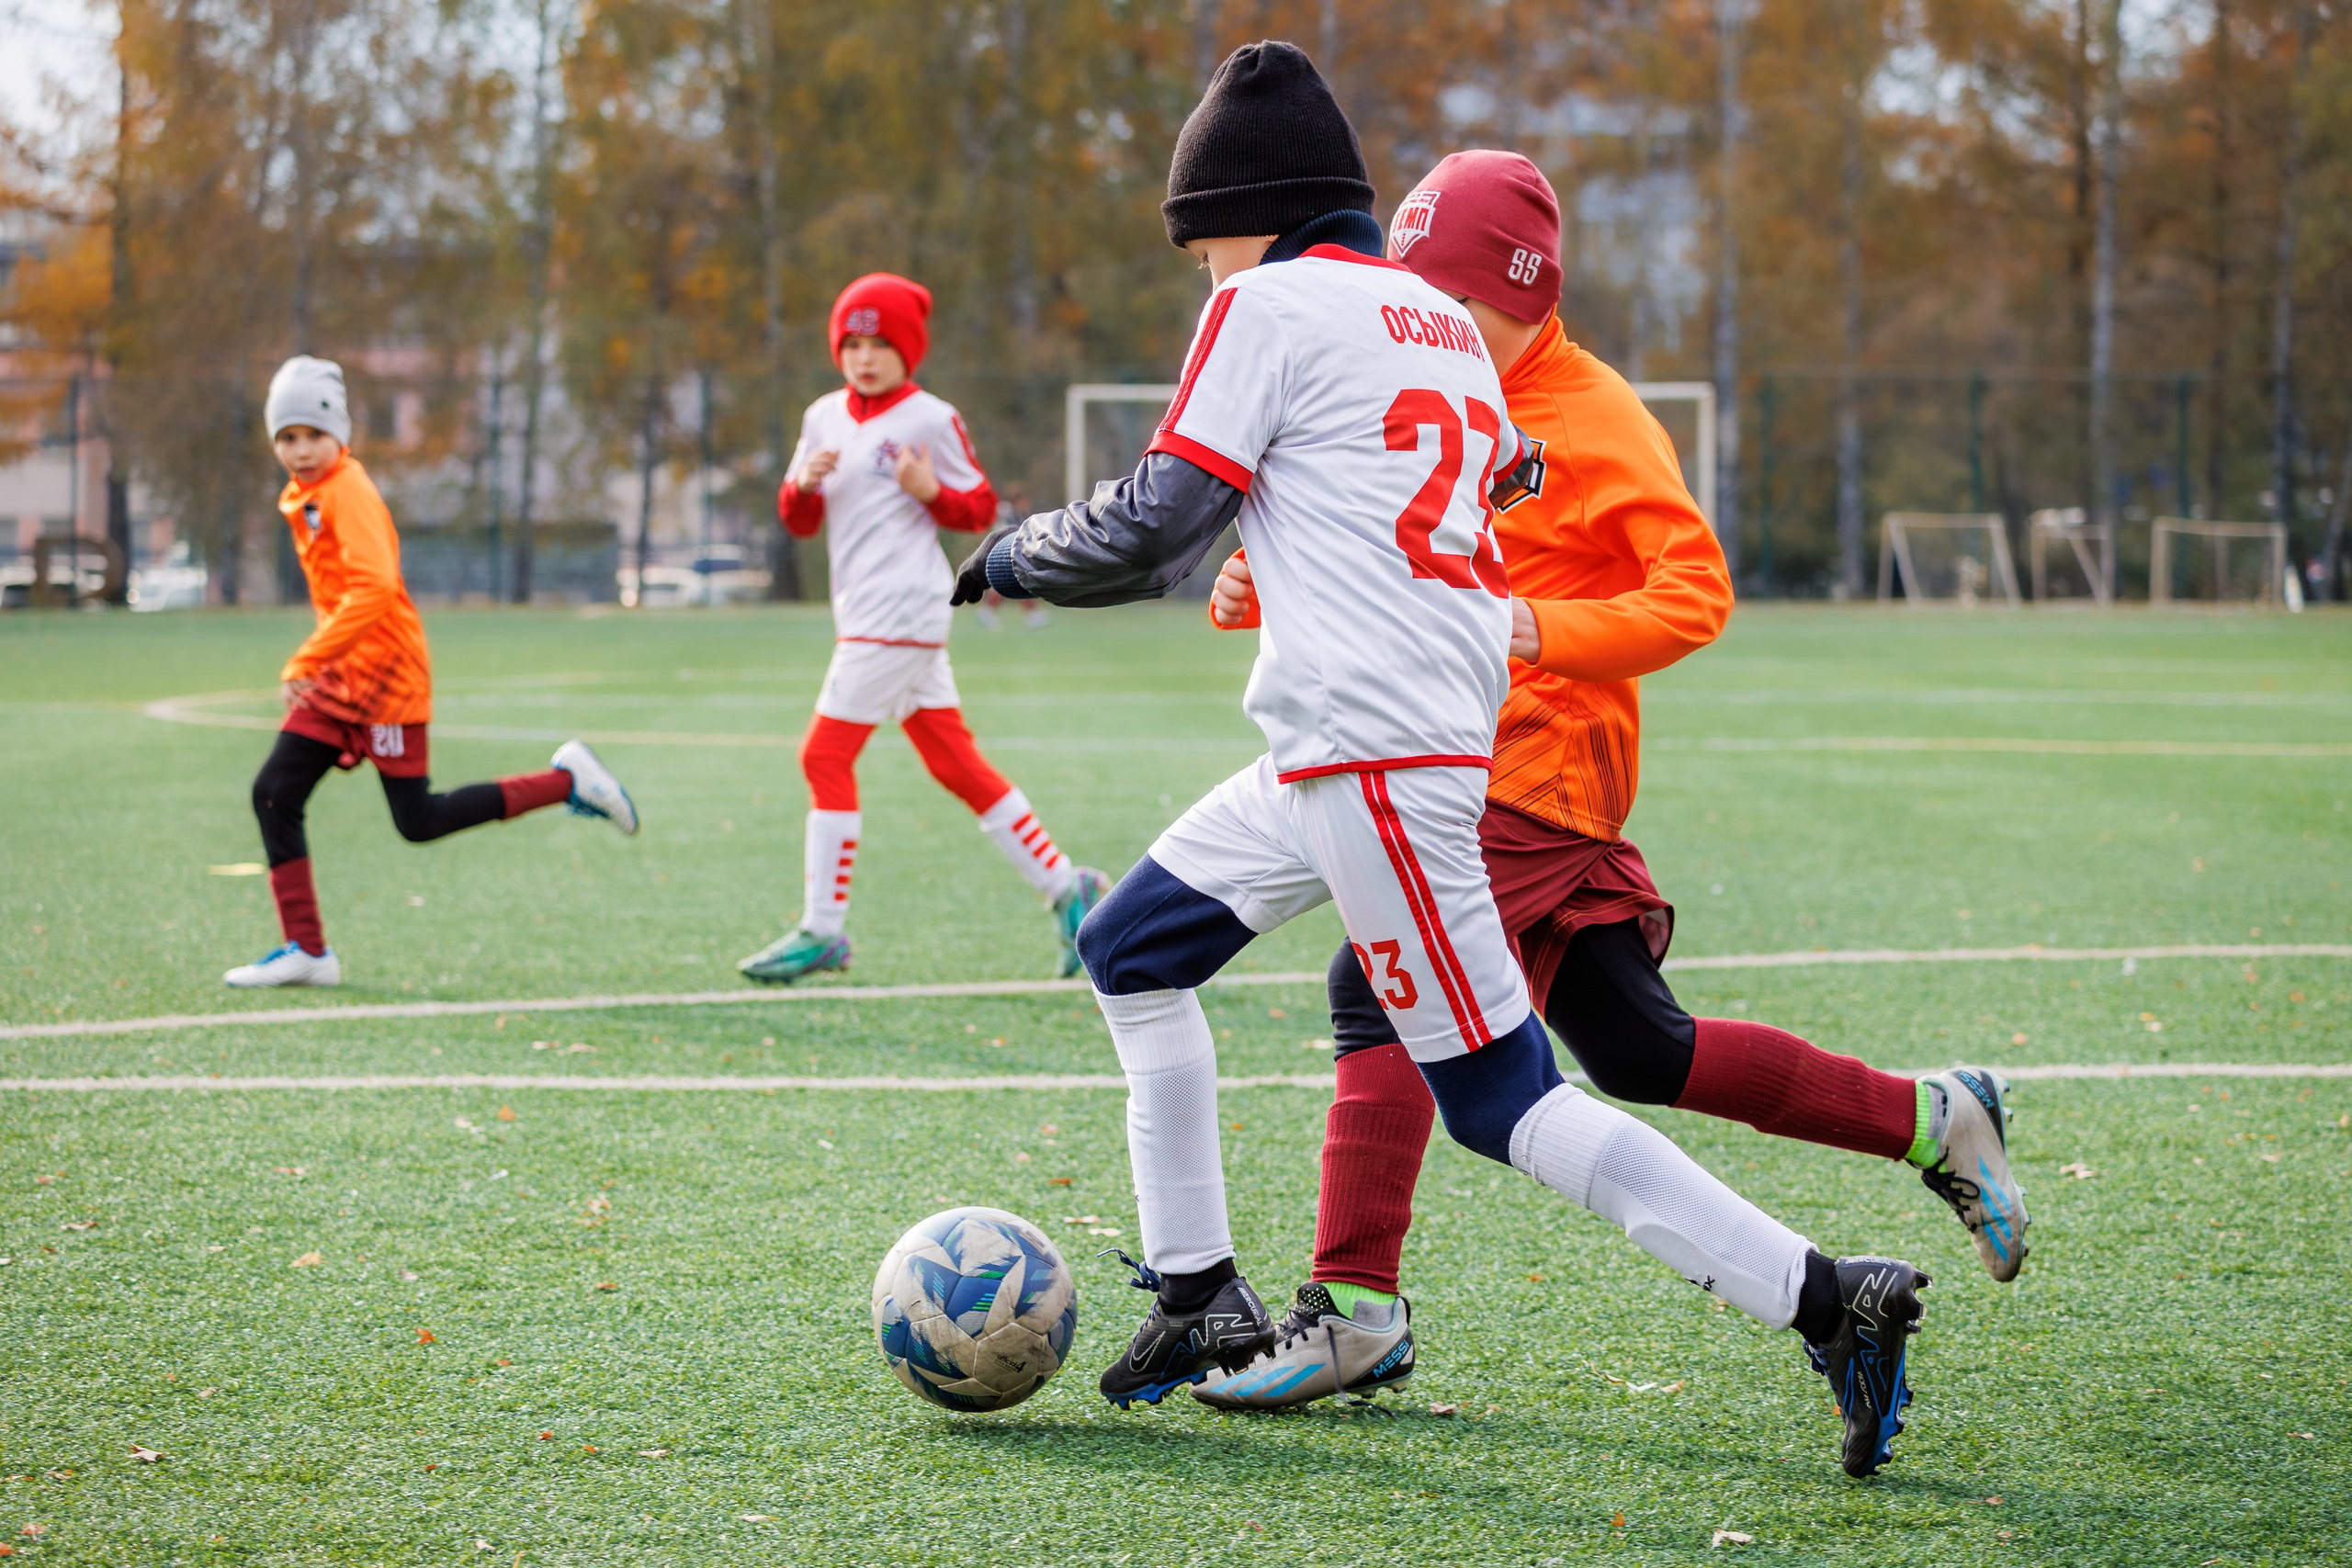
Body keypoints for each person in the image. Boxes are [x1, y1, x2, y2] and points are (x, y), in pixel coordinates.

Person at [955, 47, 1929, 1478]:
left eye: (1198, 234)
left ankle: (1829, 1297)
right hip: (1358, 738)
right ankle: (1197, 1292)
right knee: (1132, 946)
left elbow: (1160, 527)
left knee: (1506, 1101)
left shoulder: (1263, 301)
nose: (1200, 266)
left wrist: (1008, 553)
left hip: (1373, 750)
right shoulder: (1432, 319)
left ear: (1244, 211)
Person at [1188, 152, 2030, 1431]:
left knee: (1374, 976)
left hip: (1532, 766)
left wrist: (1532, 627)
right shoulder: (1417, 373)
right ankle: (1932, 1115)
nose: (1416, 318)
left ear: (1518, 294)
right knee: (1642, 1047)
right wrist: (1259, 578)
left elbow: (1693, 591)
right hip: (1447, 746)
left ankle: (1356, 1306)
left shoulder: (1592, 412)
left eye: (1444, 299)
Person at [738, 274, 1108, 984]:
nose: (865, 356)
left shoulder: (931, 419)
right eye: (853, 342)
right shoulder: (821, 418)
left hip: (901, 611)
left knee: (823, 758)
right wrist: (799, 486)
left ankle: (823, 930)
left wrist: (929, 490)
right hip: (871, 616)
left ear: (908, 349)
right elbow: (799, 522)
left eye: (881, 343)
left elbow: (980, 508)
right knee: (955, 764)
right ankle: (1070, 890)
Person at [226, 355, 639, 989]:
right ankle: (307, 950)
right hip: (341, 675)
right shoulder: (302, 495)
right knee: (273, 791)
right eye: (287, 436)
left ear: (341, 433)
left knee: (417, 820)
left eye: (313, 434)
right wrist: (324, 659)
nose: (301, 449)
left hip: (386, 674)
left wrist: (307, 656)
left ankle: (567, 780)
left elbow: (374, 589)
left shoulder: (348, 490)